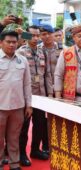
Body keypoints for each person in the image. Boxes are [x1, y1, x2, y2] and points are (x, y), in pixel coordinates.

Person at [16, 25, 53, 165]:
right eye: (32, 35)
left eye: (38, 35)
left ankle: (35, 150)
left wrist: (49, 94)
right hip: (27, 96)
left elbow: (47, 74)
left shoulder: (43, 51)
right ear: (26, 35)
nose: (36, 38)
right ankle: (21, 154)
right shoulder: (20, 52)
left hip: (41, 96)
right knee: (24, 127)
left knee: (39, 124)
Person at [0, 30, 32, 170]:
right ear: (1, 42)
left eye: (14, 42)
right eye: (8, 42)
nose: (12, 45)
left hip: (18, 107)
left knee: (14, 138)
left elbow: (27, 84)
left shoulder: (22, 60)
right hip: (0, 107)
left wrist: (29, 105)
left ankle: (14, 164)